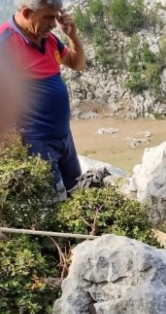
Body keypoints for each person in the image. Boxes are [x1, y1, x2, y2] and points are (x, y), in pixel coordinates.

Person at [1, 0, 85, 200]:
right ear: (28, 12)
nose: (54, 24)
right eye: (48, 17)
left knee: (78, 195)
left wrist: (72, 36)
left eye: (55, 17)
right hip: (37, 143)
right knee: (55, 204)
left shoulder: (49, 39)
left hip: (64, 138)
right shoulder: (6, 43)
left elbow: (77, 63)